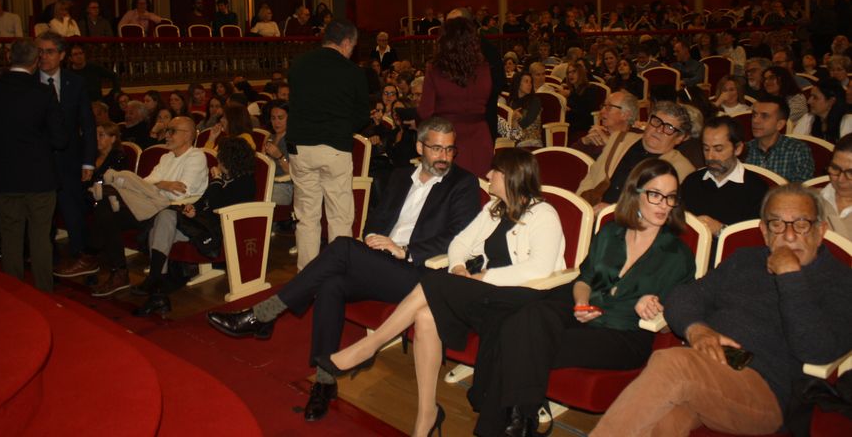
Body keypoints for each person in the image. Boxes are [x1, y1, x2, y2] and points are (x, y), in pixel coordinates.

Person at [326, 157, 694, 437]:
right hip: (580, 312)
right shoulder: (611, 234)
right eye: (655, 194)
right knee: (521, 324)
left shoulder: (676, 254)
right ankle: (518, 421)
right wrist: (582, 301)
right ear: (635, 194)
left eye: (670, 197)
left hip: (622, 334)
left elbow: (674, 311)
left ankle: (510, 419)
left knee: (517, 330)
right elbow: (584, 279)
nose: (663, 204)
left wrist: (649, 306)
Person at [207, 117, 480, 419]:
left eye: (449, 149)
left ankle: (265, 314)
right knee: (330, 283)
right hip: (383, 262)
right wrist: (374, 239)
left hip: (421, 274)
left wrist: (405, 251)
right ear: (419, 147)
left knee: (341, 247)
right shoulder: (401, 176)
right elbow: (377, 217)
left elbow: (458, 236)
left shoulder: (463, 183)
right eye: (436, 149)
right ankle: (324, 381)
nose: (444, 157)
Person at [592, 183, 852, 437]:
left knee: (672, 363)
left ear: (820, 230)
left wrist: (790, 276)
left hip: (766, 391)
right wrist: (697, 330)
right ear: (764, 231)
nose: (790, 235)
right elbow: (684, 295)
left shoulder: (840, 281)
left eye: (801, 224)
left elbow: (818, 349)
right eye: (777, 224)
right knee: (667, 419)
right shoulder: (744, 260)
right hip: (707, 368)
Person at [56, 116, 209, 293]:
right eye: (166, 130)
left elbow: (181, 192)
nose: (166, 135)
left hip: (171, 213)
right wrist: (162, 185)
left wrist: (155, 187)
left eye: (171, 131)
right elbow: (145, 182)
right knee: (106, 208)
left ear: (188, 135)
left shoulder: (196, 157)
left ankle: (95, 259)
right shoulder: (166, 157)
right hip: (149, 207)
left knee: (107, 208)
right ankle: (116, 270)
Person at [0, 39, 66, 292]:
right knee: (40, 236)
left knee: (11, 235)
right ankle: (44, 292)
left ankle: (14, 291)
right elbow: (60, 140)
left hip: (4, 176)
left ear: (8, 57)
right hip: (39, 176)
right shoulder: (44, 93)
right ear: (36, 61)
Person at [133, 136, 256, 316]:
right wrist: (193, 208)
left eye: (221, 155)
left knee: (163, 221)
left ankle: (156, 285)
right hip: (201, 226)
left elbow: (217, 205)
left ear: (229, 159)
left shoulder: (245, 182)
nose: (218, 159)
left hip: (219, 231)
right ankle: (158, 292)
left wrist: (216, 180)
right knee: (161, 224)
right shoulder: (224, 178)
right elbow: (204, 201)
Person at [288, 19, 370, 269]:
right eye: (352, 47)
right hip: (335, 147)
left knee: (307, 217)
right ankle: (337, 273)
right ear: (345, 42)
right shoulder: (352, 72)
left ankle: (307, 275)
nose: (351, 52)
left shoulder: (299, 64)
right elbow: (362, 116)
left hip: (301, 147)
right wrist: (342, 127)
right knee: (339, 216)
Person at [35, 33, 96, 261]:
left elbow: (87, 125)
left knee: (72, 210)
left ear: (62, 55)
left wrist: (88, 161)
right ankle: (45, 257)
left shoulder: (76, 82)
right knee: (42, 213)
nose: (43, 56)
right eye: (40, 51)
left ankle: (80, 256)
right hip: (38, 160)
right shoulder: (29, 81)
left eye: (49, 51)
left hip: (70, 159)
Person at [577, 101, 695, 210]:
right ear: (648, 121)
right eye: (656, 121)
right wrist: (581, 206)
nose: (659, 130)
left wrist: (613, 211)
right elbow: (591, 177)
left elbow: (662, 210)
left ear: (680, 138)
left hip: (631, 221)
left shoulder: (681, 169)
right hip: (592, 211)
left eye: (669, 128)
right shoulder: (619, 139)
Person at [418, 17, 493, 177]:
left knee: (448, 189)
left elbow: (425, 111)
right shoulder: (484, 68)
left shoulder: (435, 69)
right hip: (480, 137)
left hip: (447, 140)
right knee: (481, 188)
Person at [681, 116, 769, 243]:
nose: (710, 156)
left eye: (718, 149)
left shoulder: (757, 189)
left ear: (737, 149)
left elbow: (757, 241)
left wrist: (721, 231)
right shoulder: (691, 181)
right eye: (706, 149)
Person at [745, 96, 814, 183]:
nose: (755, 121)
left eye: (764, 116)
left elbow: (801, 188)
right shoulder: (745, 149)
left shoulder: (797, 150)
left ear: (780, 124)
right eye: (754, 115)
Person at [498, 71, 543, 147]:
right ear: (518, 83)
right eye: (526, 81)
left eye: (530, 82)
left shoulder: (535, 101)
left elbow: (527, 121)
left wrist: (513, 123)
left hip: (531, 141)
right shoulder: (512, 101)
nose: (529, 84)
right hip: (514, 139)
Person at [559, 62, 597, 137]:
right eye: (568, 72)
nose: (570, 75)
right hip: (570, 122)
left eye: (574, 71)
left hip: (583, 124)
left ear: (581, 73)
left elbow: (586, 110)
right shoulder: (572, 90)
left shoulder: (590, 88)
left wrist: (570, 108)